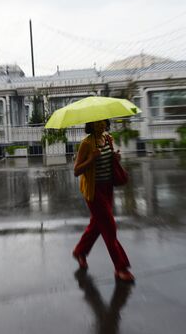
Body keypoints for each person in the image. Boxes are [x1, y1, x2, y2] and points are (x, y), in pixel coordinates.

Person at [72, 119, 134, 282]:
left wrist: (115, 157)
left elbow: (109, 161)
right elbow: (77, 170)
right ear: (90, 125)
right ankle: (121, 267)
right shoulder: (86, 144)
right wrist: (91, 159)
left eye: (102, 122)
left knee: (98, 225)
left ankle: (80, 251)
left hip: (108, 188)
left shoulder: (108, 138)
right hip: (93, 191)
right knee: (109, 226)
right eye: (96, 123)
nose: (100, 125)